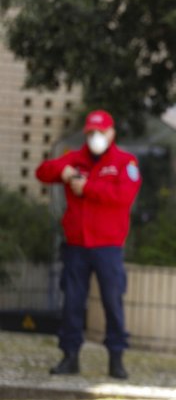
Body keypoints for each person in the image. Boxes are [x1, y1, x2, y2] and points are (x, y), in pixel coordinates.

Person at [35, 110, 141, 379]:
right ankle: (70, 356)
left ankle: (116, 359)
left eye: (101, 132)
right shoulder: (75, 159)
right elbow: (42, 172)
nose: (96, 137)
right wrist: (65, 171)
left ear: (111, 133)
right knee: (72, 303)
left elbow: (124, 196)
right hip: (76, 246)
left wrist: (89, 188)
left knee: (112, 302)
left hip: (108, 247)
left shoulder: (124, 162)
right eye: (91, 132)